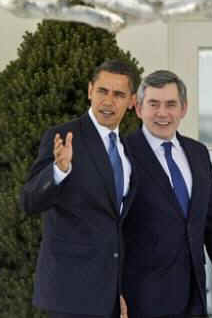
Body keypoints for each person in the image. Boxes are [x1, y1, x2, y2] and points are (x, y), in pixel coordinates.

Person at [20, 60, 137, 318]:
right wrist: (59, 170)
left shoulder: (127, 150)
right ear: (89, 91)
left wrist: (121, 290)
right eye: (102, 91)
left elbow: (117, 226)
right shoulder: (62, 136)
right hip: (70, 295)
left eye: (118, 94)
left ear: (131, 101)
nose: (108, 101)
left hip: (111, 298)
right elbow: (29, 201)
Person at [122, 70, 212, 318]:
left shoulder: (198, 153)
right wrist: (113, 291)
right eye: (153, 104)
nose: (162, 113)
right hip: (140, 299)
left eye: (171, 104)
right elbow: (109, 227)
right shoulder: (123, 153)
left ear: (183, 109)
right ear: (138, 107)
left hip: (194, 296)